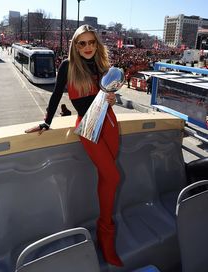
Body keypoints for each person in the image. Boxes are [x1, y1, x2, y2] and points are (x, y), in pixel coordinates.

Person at [25, 24, 123, 267]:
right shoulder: (68, 67)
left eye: (91, 42)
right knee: (113, 176)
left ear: (96, 44)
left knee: (107, 175)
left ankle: (104, 235)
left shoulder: (103, 67)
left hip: (109, 122)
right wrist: (46, 122)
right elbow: (56, 94)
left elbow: (107, 98)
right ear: (75, 46)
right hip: (89, 125)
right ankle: (105, 233)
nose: (88, 47)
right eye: (82, 43)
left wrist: (112, 98)